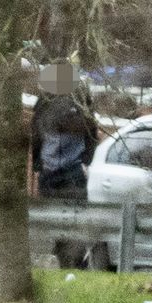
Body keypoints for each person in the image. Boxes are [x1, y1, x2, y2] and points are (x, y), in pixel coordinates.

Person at [31, 62, 98, 201]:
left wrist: (86, 160)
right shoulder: (44, 102)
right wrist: (37, 162)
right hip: (49, 170)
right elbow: (36, 134)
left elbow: (91, 132)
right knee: (47, 215)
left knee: (73, 215)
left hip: (72, 169)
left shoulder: (80, 101)